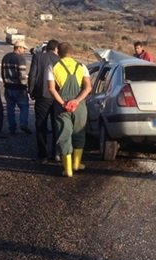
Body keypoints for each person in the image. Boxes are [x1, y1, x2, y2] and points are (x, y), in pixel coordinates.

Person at [47, 42, 92, 177]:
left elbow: (51, 88)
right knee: (79, 133)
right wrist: (76, 101)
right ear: (72, 52)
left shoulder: (53, 66)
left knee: (64, 134)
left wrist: (63, 103)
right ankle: (77, 164)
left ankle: (68, 170)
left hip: (62, 107)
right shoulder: (81, 66)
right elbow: (88, 87)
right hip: (79, 106)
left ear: (58, 53)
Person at [28, 39, 60, 163]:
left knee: (41, 125)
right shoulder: (59, 59)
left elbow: (32, 75)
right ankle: (56, 153)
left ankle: (43, 155)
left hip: (42, 96)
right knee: (56, 125)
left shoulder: (38, 57)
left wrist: (31, 91)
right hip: (57, 97)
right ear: (56, 49)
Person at [1, 40, 30, 135]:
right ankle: (23, 123)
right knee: (24, 106)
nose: (24, 50)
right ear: (19, 48)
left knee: (10, 109)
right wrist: (24, 86)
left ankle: (12, 128)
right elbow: (22, 75)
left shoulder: (5, 57)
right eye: (23, 48)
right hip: (18, 87)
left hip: (8, 87)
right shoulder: (20, 59)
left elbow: (2, 72)